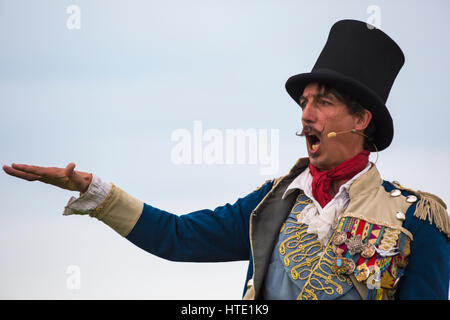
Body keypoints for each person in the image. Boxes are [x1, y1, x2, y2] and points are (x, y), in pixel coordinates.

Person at [3, 19, 450, 300]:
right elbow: (178, 237)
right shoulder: (272, 203)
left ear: (360, 119)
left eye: (324, 102)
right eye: (304, 102)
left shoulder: (417, 220)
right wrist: (93, 189)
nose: (306, 114)